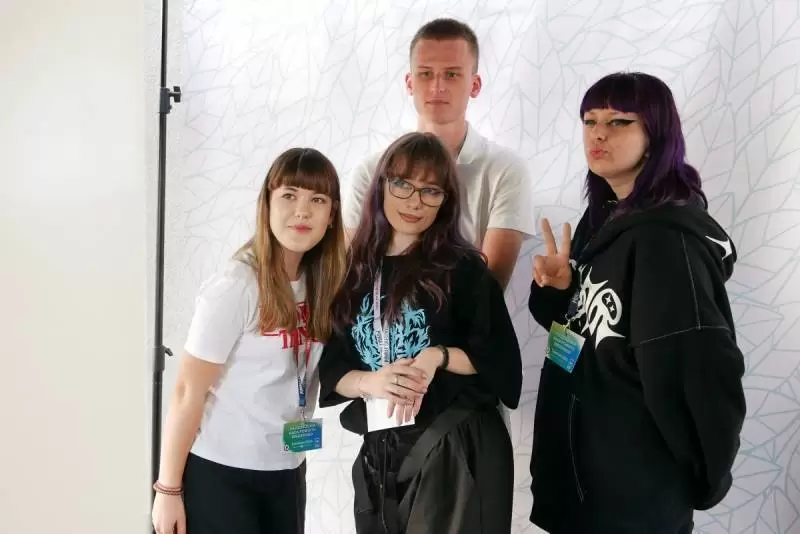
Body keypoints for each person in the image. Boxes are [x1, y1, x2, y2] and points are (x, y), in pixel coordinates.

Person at [528, 71, 747, 534]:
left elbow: (703, 372)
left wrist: (703, 481)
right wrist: (560, 289)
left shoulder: (665, 242)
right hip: (581, 487)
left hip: (634, 500)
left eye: (619, 121)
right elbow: (578, 338)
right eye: (590, 120)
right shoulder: (601, 221)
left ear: (656, 135)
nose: (598, 134)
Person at [319, 132, 523, 533]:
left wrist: (436, 357)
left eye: (431, 190)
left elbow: (498, 358)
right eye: (402, 184)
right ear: (381, 186)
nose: (415, 201)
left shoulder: (463, 268)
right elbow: (331, 369)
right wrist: (370, 381)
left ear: (445, 200)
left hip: (453, 445)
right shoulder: (353, 271)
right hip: (380, 449)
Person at [150, 148, 347, 534]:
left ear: (331, 215)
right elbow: (188, 391)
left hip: (287, 468)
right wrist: (168, 489)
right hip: (222, 472)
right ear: (267, 204)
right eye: (289, 195)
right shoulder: (236, 286)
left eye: (317, 200)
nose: (302, 211)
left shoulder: (322, 282)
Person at [342, 17, 535, 290]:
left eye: (452, 74)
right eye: (425, 74)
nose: (437, 87)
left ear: (475, 85)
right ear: (409, 83)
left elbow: (489, 293)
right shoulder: (369, 170)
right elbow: (352, 276)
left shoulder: (505, 170)